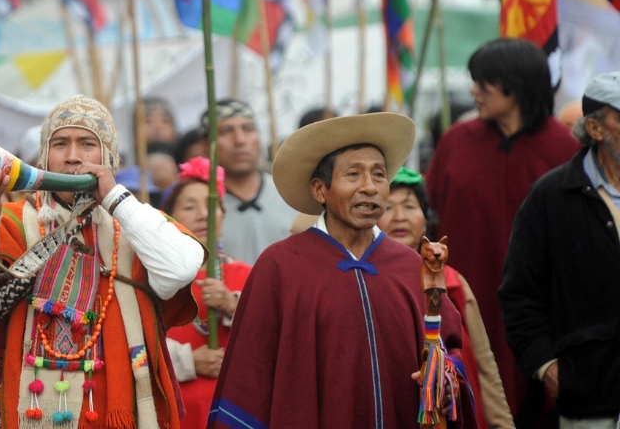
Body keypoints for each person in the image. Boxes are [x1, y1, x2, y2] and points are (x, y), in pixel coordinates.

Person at [0, 95, 204, 429]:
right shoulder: (13, 222)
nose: (73, 157)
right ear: (45, 157)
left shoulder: (138, 225)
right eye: (60, 144)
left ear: (109, 157)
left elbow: (179, 269)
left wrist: (115, 198)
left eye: (87, 144)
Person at [209, 113, 476, 428]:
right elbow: (248, 379)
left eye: (379, 175)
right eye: (353, 174)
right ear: (320, 190)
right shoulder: (280, 268)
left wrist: (445, 383)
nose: (369, 187)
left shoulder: (412, 268)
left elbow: (451, 349)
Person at [426, 39, 580, 415]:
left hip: (543, 318)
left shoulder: (564, 151)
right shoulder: (457, 143)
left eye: (483, 82)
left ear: (514, 84)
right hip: (464, 307)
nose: (473, 91)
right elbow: (425, 217)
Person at [500, 72, 620, 428]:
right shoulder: (552, 197)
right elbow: (519, 295)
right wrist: (548, 368)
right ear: (595, 129)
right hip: (587, 399)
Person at [380, 167, 514, 429]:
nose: (399, 217)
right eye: (387, 208)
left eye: (410, 206)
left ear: (426, 220)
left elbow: (485, 368)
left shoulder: (451, 283)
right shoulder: (367, 284)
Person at [161, 157, 251, 429]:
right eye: (190, 207)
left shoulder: (247, 275)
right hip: (176, 410)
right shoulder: (153, 278)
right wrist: (187, 361)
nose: (204, 215)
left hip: (236, 410)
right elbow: (134, 343)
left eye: (213, 206)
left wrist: (233, 305)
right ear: (168, 217)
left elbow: (275, 340)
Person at [205, 98, 298, 263]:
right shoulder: (201, 204)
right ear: (206, 145)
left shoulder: (293, 194)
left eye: (247, 129)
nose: (240, 140)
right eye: (226, 131)